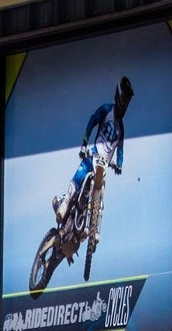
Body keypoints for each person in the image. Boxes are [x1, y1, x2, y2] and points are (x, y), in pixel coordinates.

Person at [53, 76, 134, 226]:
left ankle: (93, 227)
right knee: (81, 173)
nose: (125, 104)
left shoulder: (121, 129)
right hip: (94, 154)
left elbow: (120, 149)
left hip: (103, 166)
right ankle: (64, 204)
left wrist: (119, 164)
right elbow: (92, 122)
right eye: (125, 98)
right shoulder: (106, 109)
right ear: (119, 96)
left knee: (101, 194)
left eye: (128, 101)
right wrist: (84, 143)